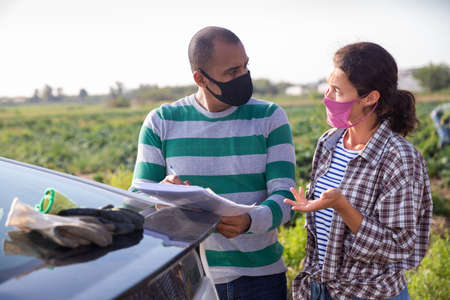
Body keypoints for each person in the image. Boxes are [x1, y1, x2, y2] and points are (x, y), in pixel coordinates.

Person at [129, 26, 296, 300]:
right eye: (231, 72)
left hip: (260, 279)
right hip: (189, 278)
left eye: (245, 67)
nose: (242, 77)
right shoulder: (161, 122)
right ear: (200, 78)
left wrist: (250, 220)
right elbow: (135, 200)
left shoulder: (270, 117)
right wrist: (161, 198)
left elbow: (286, 195)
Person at [284, 42, 433, 300]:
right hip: (321, 290)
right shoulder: (329, 142)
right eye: (328, 87)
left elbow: (399, 246)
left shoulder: (399, 157)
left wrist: (343, 208)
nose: (327, 97)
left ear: (370, 98)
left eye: (338, 91)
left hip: (368, 294)